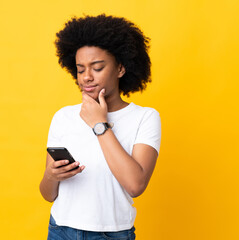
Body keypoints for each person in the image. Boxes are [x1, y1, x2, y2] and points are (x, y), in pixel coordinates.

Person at [39, 14, 161, 240]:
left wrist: (99, 124)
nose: (86, 77)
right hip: (60, 231)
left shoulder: (145, 117)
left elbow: (135, 185)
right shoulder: (63, 117)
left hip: (111, 234)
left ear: (121, 69)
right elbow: (48, 195)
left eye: (97, 67)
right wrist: (51, 175)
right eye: (80, 69)